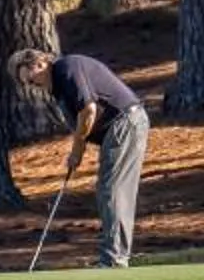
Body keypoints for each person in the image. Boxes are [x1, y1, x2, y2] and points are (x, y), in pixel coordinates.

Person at [8, 47, 150, 268]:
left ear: (40, 63)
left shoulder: (67, 68)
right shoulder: (59, 86)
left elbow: (88, 110)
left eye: (31, 78)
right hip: (120, 127)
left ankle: (114, 259)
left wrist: (77, 149)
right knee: (109, 190)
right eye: (26, 82)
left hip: (125, 122)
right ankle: (115, 256)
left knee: (112, 190)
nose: (31, 85)